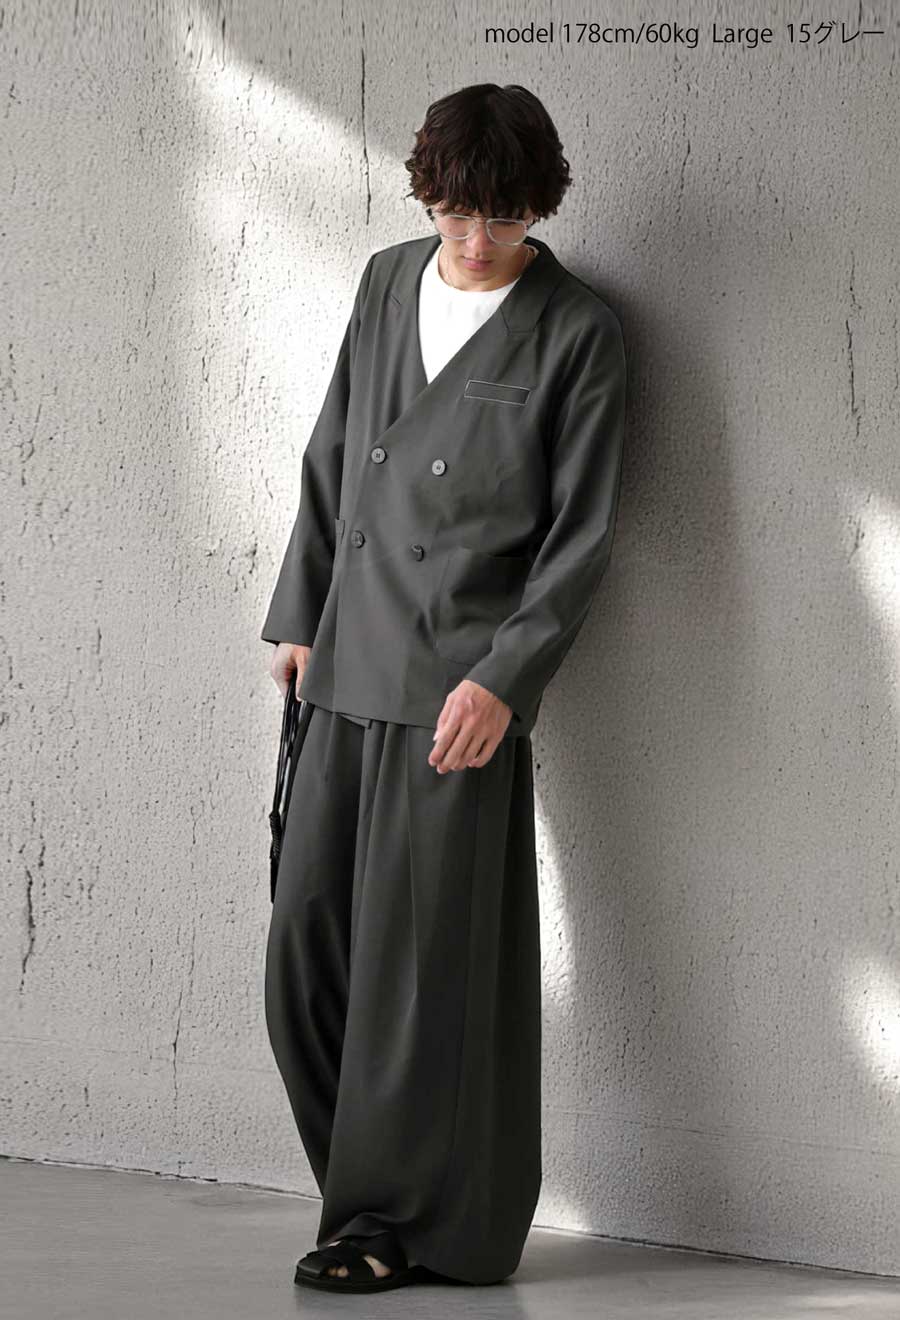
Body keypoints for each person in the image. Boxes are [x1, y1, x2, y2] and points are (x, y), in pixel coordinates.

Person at [261, 82, 627, 1293]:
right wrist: (300, 611)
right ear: (427, 198)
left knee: (423, 985)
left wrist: (507, 680)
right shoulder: (385, 282)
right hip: (345, 663)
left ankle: (386, 1228)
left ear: (540, 208)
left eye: (505, 218)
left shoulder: (576, 332)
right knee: (306, 957)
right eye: (458, 214)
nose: (477, 241)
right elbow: (333, 451)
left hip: (457, 694)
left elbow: (580, 538)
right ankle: (383, 1201)